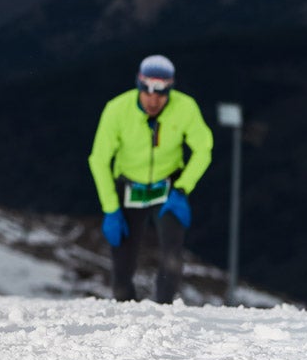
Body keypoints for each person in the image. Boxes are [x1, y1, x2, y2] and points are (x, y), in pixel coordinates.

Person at [87, 55, 213, 303]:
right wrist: (111, 208)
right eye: (147, 92)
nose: (153, 100)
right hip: (128, 185)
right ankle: (126, 313)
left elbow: (203, 148)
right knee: (122, 264)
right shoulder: (117, 110)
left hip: (168, 186)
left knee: (172, 257)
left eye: (162, 94)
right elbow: (99, 159)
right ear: (139, 85)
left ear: (171, 89)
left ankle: (164, 310)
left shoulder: (185, 107)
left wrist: (183, 188)